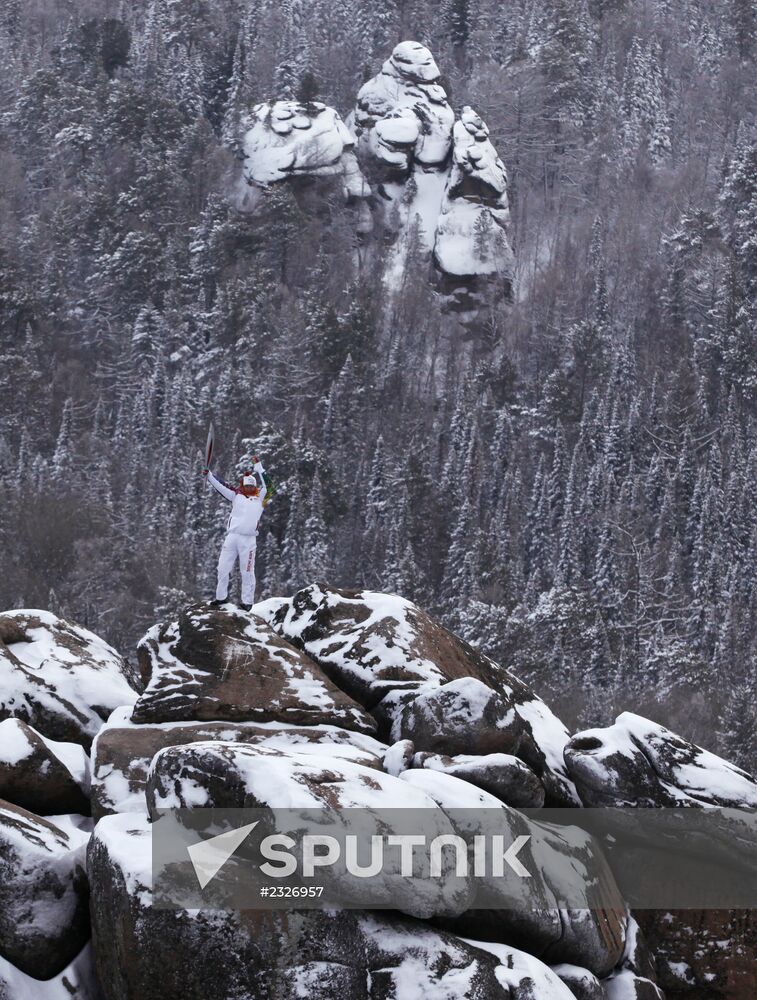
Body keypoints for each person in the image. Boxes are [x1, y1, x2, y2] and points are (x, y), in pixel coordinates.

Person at [202, 456, 267, 610]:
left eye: (252, 486)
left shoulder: (261, 498)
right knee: (223, 568)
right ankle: (221, 598)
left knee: (247, 571)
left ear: (256, 487)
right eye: (247, 486)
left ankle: (247, 603)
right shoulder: (236, 495)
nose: (250, 489)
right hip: (232, 537)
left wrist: (259, 467)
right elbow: (222, 485)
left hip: (249, 540)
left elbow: (270, 486)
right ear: (242, 486)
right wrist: (209, 475)